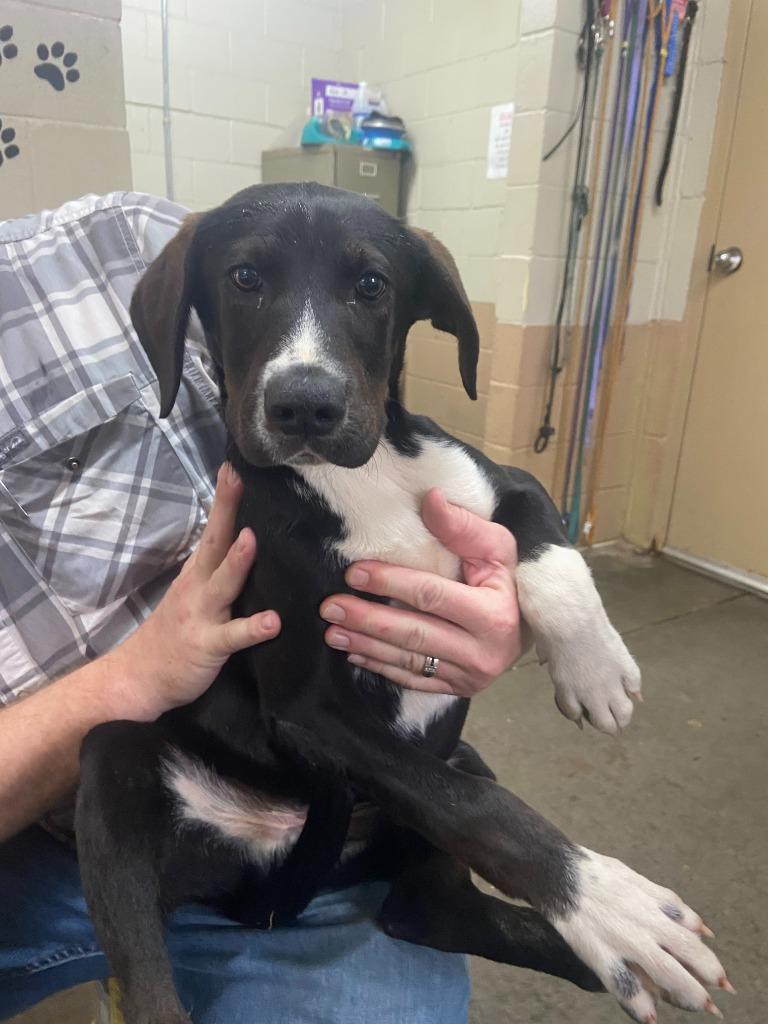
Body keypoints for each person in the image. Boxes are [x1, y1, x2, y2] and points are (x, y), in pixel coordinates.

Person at [0, 193, 523, 1024]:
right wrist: (130, 681)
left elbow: (435, 480)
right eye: (248, 281)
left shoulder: (124, 244)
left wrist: (491, 607)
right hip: (43, 835)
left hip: (318, 795)